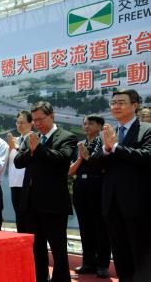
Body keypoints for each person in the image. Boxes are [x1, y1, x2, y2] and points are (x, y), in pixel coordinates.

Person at [91, 89, 151, 281]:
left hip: (138, 204)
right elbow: (95, 164)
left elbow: (147, 157)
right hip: (111, 203)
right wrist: (107, 150)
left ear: (135, 106)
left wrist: (116, 148)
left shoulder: (146, 130)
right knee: (120, 253)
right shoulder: (108, 132)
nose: (116, 106)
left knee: (141, 254)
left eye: (121, 102)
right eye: (113, 102)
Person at [14, 101, 77, 282]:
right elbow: (18, 161)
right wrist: (32, 151)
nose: (38, 123)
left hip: (54, 204)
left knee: (58, 248)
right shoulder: (32, 137)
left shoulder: (66, 136)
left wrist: (38, 150)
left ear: (52, 116)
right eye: (34, 120)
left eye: (41, 119)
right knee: (36, 248)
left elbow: (62, 159)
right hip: (31, 203)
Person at [68, 115, 110, 278]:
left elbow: (104, 165)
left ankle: (103, 264)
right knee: (85, 226)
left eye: (91, 123)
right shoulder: (81, 144)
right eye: (85, 123)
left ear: (100, 126)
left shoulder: (104, 143)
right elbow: (71, 169)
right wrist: (81, 157)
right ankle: (88, 263)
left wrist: (87, 157)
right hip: (80, 186)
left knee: (100, 227)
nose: (86, 126)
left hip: (97, 186)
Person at [6, 110, 33, 233]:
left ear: (31, 124)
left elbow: (27, 158)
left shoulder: (33, 139)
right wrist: (11, 147)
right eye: (17, 122)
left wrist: (16, 147)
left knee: (29, 220)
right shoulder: (15, 140)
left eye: (22, 122)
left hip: (28, 186)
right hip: (14, 184)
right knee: (20, 220)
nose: (19, 125)